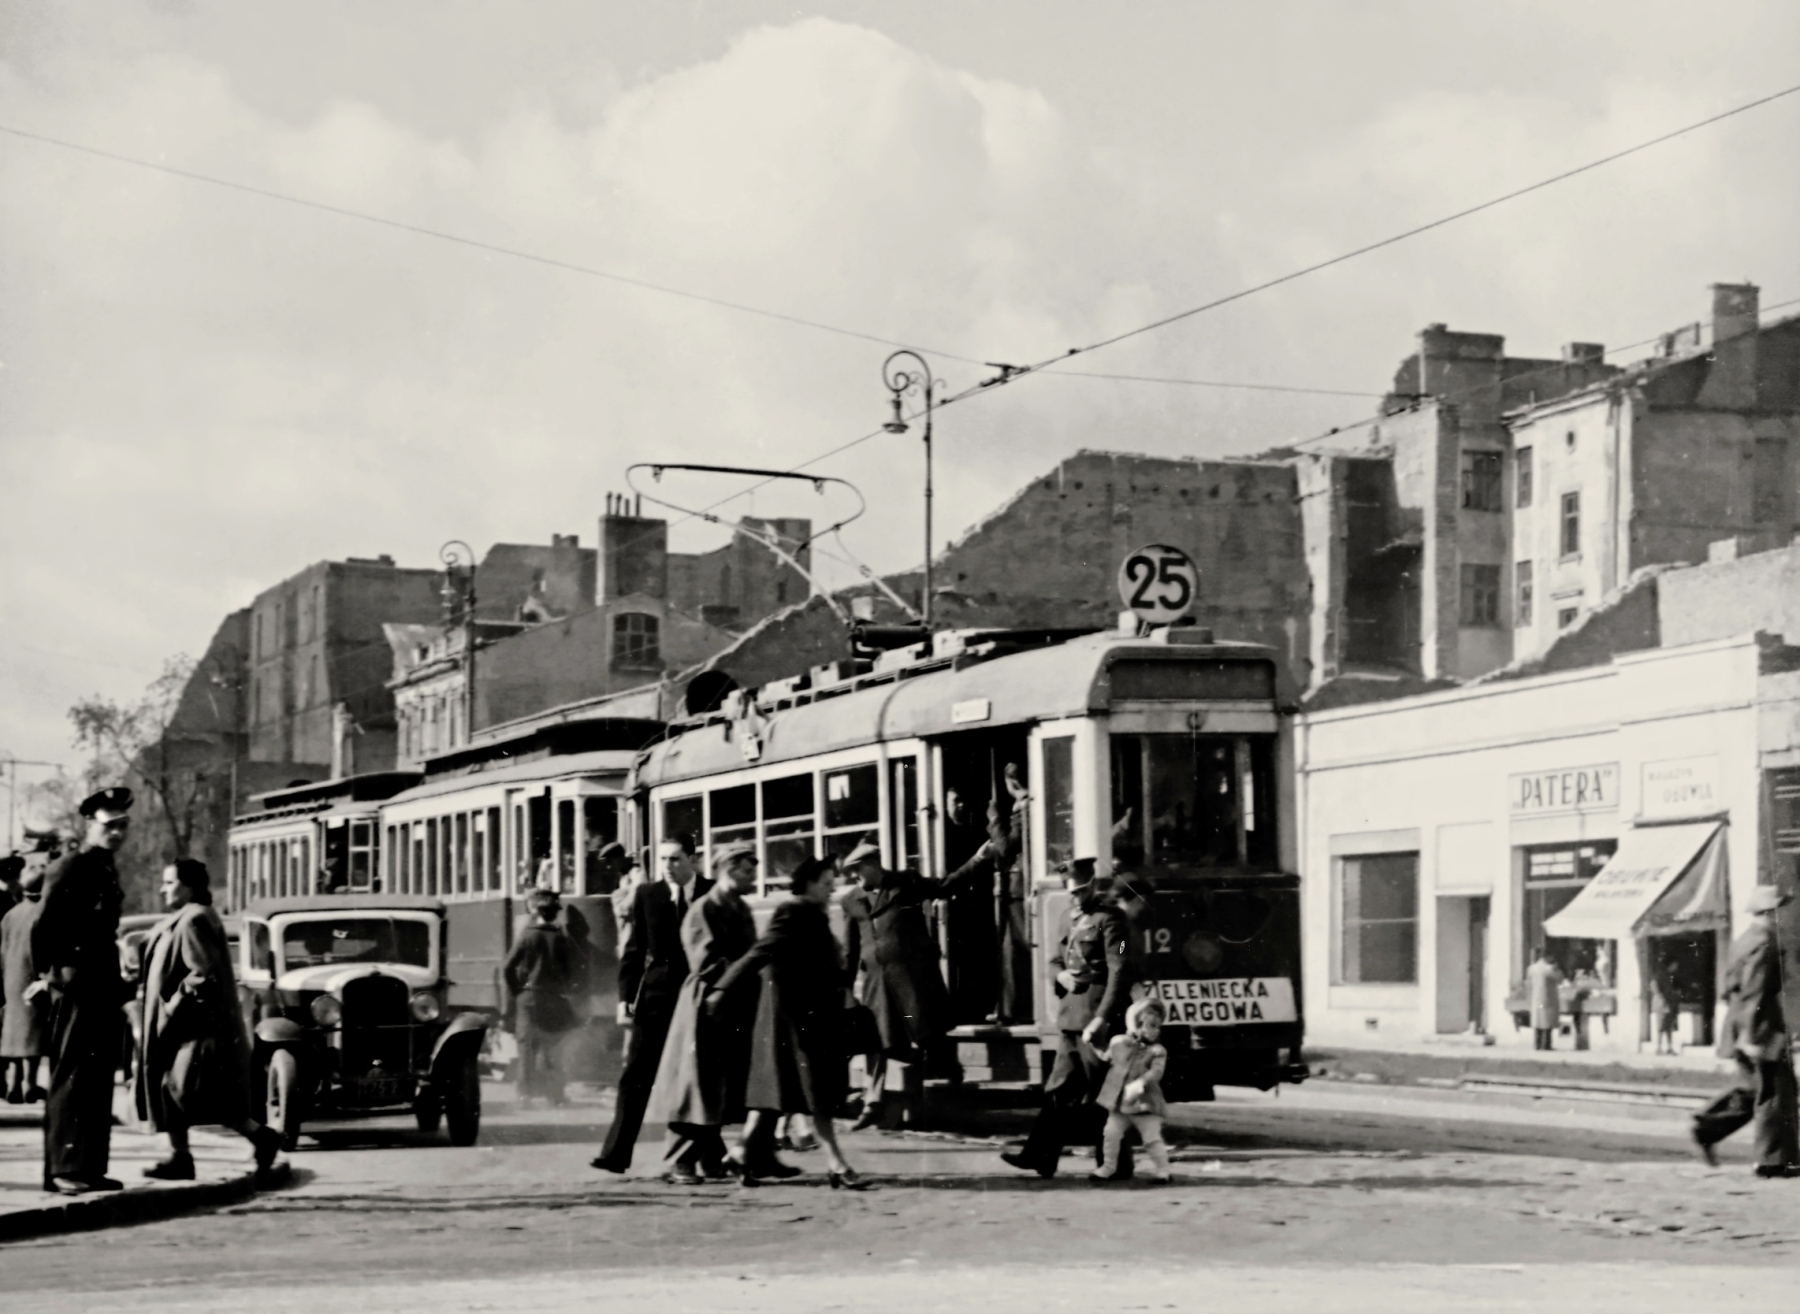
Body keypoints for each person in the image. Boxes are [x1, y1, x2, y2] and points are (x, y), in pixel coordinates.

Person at [712, 855, 868, 1190]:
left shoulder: (815, 914)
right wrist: (722, 989)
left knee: (778, 1097)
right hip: (796, 1023)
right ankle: (837, 1165)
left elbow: (835, 969)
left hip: (810, 1020)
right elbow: (760, 953)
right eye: (826, 883)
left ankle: (739, 1154)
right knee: (818, 1097)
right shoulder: (794, 911)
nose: (832, 889)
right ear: (809, 884)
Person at [136, 860, 283, 1183]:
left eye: (170, 882)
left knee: (183, 1091)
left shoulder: (194, 920)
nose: (164, 888)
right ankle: (184, 1157)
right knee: (183, 1092)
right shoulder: (185, 918)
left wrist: (171, 1009)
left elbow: (201, 976)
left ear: (190, 886)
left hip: (192, 1029)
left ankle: (258, 1138)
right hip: (187, 1028)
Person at [840, 833, 994, 1129]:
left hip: (913, 978)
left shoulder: (905, 882)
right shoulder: (850, 901)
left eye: (857, 872)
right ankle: (872, 1102)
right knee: (879, 1040)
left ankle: (946, 1086)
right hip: (876, 983)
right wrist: (845, 990)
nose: (854, 879)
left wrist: (978, 860)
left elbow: (945, 886)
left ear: (873, 864)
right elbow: (850, 950)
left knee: (926, 1033)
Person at [32, 787, 134, 1194]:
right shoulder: (70, 866)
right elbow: (44, 928)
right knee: (72, 1076)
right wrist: (49, 976)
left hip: (101, 983)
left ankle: (90, 1166)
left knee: (96, 1078)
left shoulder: (106, 867)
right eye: (110, 826)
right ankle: (64, 1168)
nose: (117, 833)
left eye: (123, 826)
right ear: (90, 823)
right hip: (74, 984)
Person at [1001, 857, 1129, 1179]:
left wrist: (1103, 1018)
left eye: (1079, 891)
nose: (1074, 897)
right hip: (1071, 1016)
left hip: (1095, 1019)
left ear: (1092, 887)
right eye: (1069, 891)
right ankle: (1040, 1157)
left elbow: (1120, 970)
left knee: (1105, 1093)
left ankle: (1115, 1165)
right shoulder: (1067, 918)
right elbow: (1055, 960)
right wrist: (1060, 977)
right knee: (1057, 1090)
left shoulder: (1113, 921)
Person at [647, 842, 761, 1184]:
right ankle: (681, 1161)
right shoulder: (704, 909)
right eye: (747, 869)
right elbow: (707, 962)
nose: (753, 876)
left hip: (730, 1003)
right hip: (705, 1003)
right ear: (729, 869)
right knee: (694, 1084)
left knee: (716, 1085)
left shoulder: (738, 907)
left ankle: (710, 1157)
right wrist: (744, 971)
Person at [594, 837, 709, 1173]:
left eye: (675, 859)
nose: (669, 868)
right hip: (656, 997)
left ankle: (703, 1157)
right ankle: (615, 1153)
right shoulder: (648, 895)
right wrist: (624, 999)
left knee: (693, 1077)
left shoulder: (710, 893)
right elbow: (633, 952)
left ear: (692, 859)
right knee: (636, 1075)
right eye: (663, 861)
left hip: (698, 998)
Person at [1694, 885, 1799, 1177]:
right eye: (1779, 909)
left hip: (1744, 1024)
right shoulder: (1765, 943)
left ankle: (1708, 1127)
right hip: (1758, 1028)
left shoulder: (1745, 939)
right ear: (1769, 912)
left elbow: (1733, 989)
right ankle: (1772, 1161)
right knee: (1775, 1093)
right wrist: (1752, 1036)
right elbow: (1755, 991)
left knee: (1755, 1090)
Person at [502, 888, 578, 1106]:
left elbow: (507, 966)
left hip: (528, 997)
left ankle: (525, 1095)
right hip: (552, 998)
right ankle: (555, 1095)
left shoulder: (527, 935)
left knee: (525, 1047)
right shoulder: (560, 939)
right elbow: (568, 972)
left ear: (537, 913)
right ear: (554, 915)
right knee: (552, 1047)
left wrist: (518, 990)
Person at [1091, 998, 1171, 1184]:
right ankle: (1108, 1167)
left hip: (1144, 1103)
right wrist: (1093, 1043)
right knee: (1110, 1134)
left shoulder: (1157, 1050)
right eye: (1150, 1025)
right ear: (1135, 1024)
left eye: (1157, 1026)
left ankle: (1163, 1171)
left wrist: (1143, 1081)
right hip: (1119, 1102)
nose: (1155, 1031)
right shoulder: (1119, 1043)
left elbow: (1157, 1071)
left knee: (1151, 1139)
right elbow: (1106, 1057)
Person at [1, 846, 50, 1104]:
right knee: (33, 1035)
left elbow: (3, 949)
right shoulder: (43, 914)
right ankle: (30, 1084)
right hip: (33, 977)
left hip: (11, 977)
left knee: (15, 1034)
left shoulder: (10, 915)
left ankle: (13, 1084)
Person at [1525, 947, 1563, 1051]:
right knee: (1547, 1022)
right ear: (1548, 957)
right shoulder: (1549, 969)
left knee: (1538, 1021)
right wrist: (1557, 968)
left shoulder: (1532, 968)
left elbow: (1528, 982)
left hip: (1535, 998)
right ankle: (1546, 1045)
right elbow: (1560, 979)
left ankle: (1537, 1044)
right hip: (1548, 998)